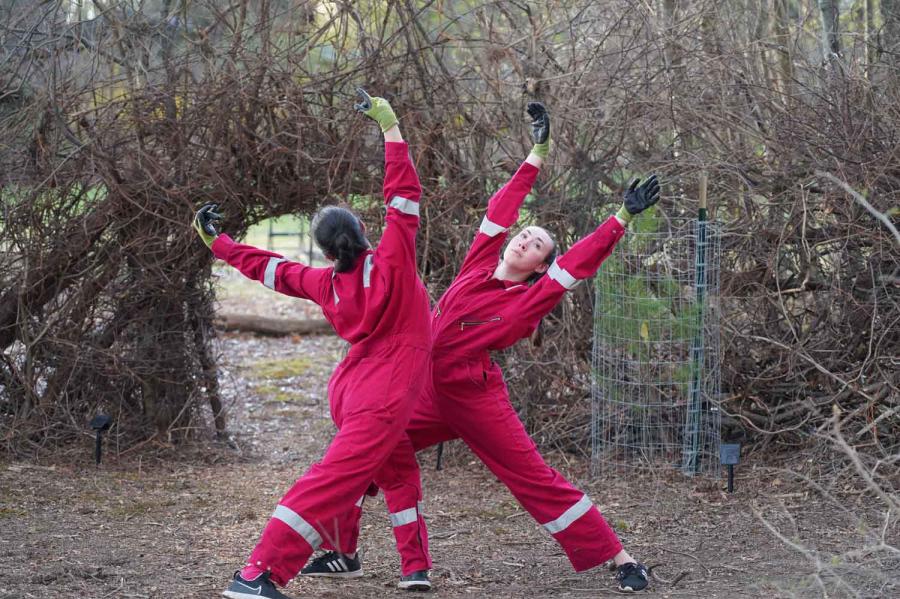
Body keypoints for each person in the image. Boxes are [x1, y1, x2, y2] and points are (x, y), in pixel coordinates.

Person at [302, 102, 659, 593]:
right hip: (422, 387)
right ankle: (342, 551)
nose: (525, 239)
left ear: (539, 265)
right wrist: (536, 152)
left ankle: (620, 559)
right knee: (364, 450)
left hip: (472, 395)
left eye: (537, 244)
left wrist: (619, 218)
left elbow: (576, 264)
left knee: (531, 476)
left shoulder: (531, 296)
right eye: (526, 234)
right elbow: (501, 209)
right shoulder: (477, 263)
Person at [194, 89, 433, 599]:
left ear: (325, 251)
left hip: (354, 388)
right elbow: (404, 196)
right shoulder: (394, 260)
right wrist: (389, 126)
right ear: (364, 231)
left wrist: (219, 243)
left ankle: (384, 561)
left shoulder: (325, 282)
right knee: (331, 483)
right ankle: (256, 575)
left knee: (393, 470)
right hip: (383, 393)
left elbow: (270, 269)